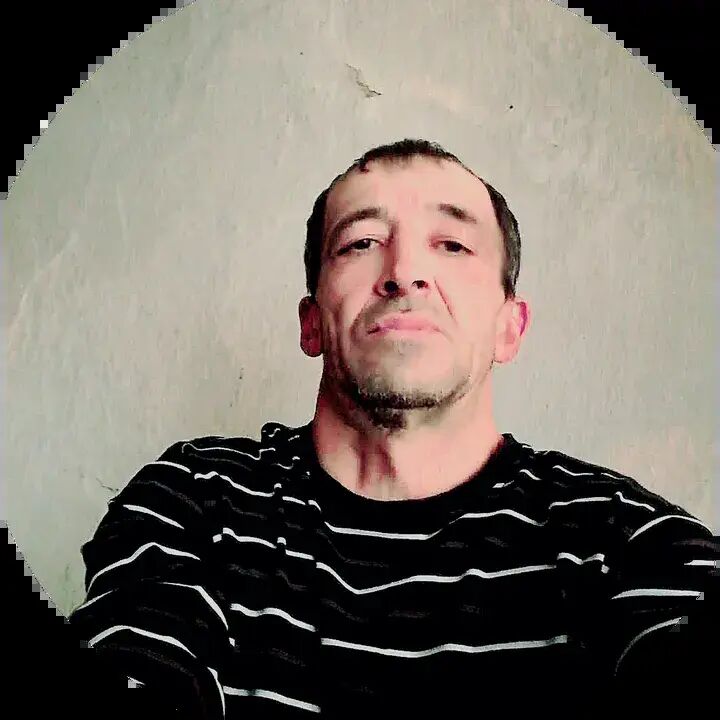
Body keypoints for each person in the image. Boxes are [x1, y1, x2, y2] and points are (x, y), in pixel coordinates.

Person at [66, 139, 718, 719]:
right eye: (360, 243)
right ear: (311, 323)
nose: (403, 272)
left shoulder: (622, 539)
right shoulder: (195, 499)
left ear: (509, 328)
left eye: (452, 244)